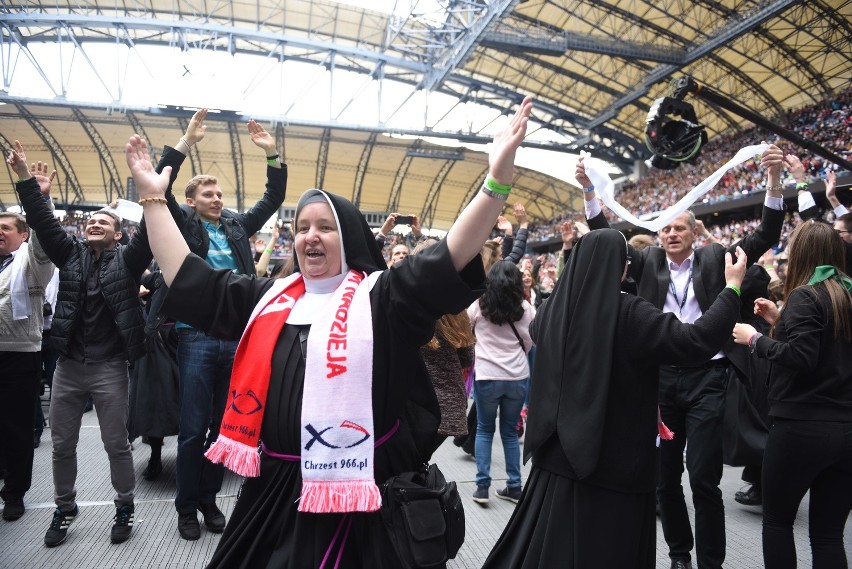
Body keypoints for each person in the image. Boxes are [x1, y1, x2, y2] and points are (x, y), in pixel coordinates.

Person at [125, 95, 533, 568]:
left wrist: (496, 179)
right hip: (275, 489)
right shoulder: (267, 298)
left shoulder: (385, 297)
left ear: (351, 237)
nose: (309, 236)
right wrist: (153, 198)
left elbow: (454, 253)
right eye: (301, 227)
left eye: (325, 227)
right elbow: (187, 275)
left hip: (361, 488)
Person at [482, 229, 747, 568]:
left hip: (558, 458)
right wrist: (732, 288)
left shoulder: (550, 311)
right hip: (615, 467)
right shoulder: (630, 312)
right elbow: (696, 340)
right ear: (619, 268)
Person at [578, 145, 786, 569]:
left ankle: (711, 561)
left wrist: (775, 182)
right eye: (665, 230)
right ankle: (678, 554)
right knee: (664, 479)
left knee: (704, 479)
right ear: (658, 237)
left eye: (679, 229)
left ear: (694, 233)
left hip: (708, 379)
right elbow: (604, 238)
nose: (671, 235)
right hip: (661, 381)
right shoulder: (648, 262)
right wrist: (589, 193)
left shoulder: (714, 258)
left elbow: (765, 235)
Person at [152, 109, 287, 540]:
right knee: (192, 431)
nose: (217, 198)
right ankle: (187, 508)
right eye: (208, 193)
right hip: (196, 339)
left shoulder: (235, 225)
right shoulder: (184, 223)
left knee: (224, 427)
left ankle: (210, 501)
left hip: (237, 337)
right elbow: (161, 183)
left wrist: (272, 155)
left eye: (219, 192)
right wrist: (186, 142)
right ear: (192, 200)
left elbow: (273, 199)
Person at [11, 141, 153, 547]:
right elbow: (43, 221)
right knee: (61, 445)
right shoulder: (69, 255)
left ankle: (124, 505)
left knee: (115, 444)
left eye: (104, 221)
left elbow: (151, 226)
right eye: (91, 220)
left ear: (119, 232)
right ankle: (64, 506)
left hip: (110, 367)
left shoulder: (129, 260)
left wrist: (148, 183)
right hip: (68, 366)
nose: (94, 223)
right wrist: (27, 181)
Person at [732, 219, 852, 569]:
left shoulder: (806, 295)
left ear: (801, 252)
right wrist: (780, 320)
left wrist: (755, 339)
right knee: (829, 535)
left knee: (778, 522)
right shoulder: (845, 292)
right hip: (846, 427)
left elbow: (801, 356)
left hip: (801, 426)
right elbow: (830, 346)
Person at [0, 159, 55, 522]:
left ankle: (15, 492)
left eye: (5, 228)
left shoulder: (31, 262)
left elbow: (47, 241)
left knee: (16, 428)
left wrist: (38, 198)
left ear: (23, 235)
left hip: (17, 355)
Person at [468, 260, 533, 505]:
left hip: (486, 375)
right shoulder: (525, 308)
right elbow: (531, 341)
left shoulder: (479, 305)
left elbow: (466, 331)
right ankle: (514, 486)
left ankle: (482, 487)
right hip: (517, 376)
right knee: (508, 433)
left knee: (484, 430)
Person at [413, 239, 476, 459]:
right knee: (420, 463)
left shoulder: (405, 305)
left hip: (413, 405)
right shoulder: (458, 308)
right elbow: (467, 357)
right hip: (448, 407)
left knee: (406, 466)